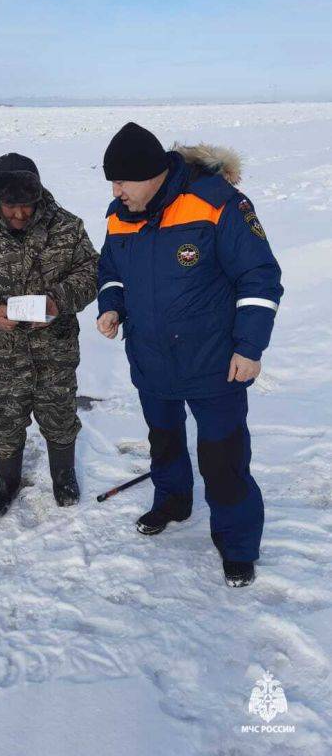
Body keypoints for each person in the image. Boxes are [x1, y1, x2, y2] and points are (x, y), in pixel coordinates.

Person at [97, 123, 283, 587]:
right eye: (112, 183)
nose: (117, 192)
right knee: (163, 439)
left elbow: (260, 277)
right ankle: (172, 502)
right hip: (151, 357)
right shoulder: (119, 214)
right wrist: (111, 305)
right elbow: (111, 268)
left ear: (154, 174)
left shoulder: (217, 204)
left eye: (123, 181)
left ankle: (237, 543)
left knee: (223, 457)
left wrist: (250, 347)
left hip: (214, 361)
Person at [0, 153, 98, 516]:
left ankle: (63, 476)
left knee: (59, 414)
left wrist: (58, 301)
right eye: (12, 206)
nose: (21, 214)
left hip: (55, 350)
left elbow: (92, 273)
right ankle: (7, 481)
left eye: (28, 205)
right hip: (1, 355)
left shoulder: (67, 227)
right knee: (5, 421)